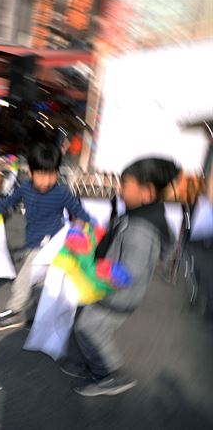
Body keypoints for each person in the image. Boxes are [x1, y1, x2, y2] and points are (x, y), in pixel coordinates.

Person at [60, 158, 178, 396]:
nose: (120, 189)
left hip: (118, 296)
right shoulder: (137, 215)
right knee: (89, 327)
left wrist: (95, 270)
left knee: (88, 329)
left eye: (125, 184)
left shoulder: (142, 228)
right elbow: (115, 236)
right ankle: (94, 365)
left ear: (147, 192)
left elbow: (131, 271)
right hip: (107, 289)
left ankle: (109, 374)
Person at [0, 141, 91, 331]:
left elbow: (81, 214)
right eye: (41, 175)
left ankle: (14, 310)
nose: (46, 181)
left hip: (51, 245)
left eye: (51, 174)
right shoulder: (25, 188)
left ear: (57, 172)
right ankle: (36, 316)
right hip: (32, 242)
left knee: (24, 278)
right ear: (30, 172)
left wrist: (78, 227)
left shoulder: (61, 192)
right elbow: (9, 202)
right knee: (41, 284)